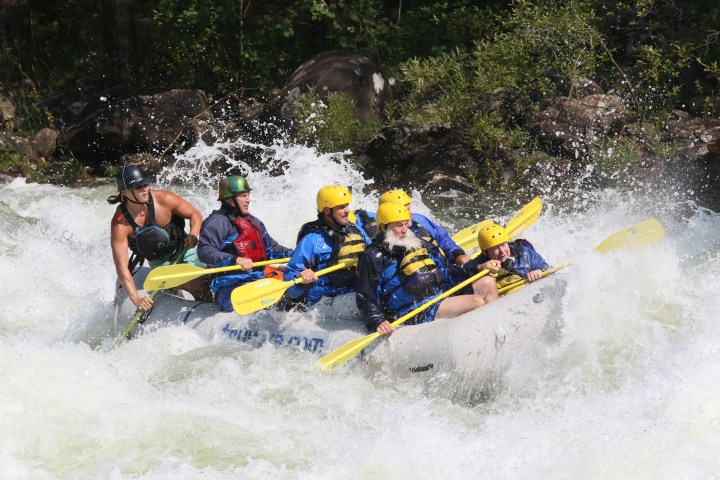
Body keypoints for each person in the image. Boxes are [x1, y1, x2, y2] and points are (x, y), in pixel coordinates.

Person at [357, 203, 500, 335]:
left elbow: (444, 272)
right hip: (411, 310)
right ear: (383, 227)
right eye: (399, 225)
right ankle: (481, 337)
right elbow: (365, 296)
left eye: (406, 224)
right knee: (476, 302)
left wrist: (477, 267)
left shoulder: (415, 243)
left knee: (487, 282)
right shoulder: (373, 255)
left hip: (437, 295)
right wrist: (377, 320)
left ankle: (497, 329)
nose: (404, 230)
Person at [108, 163, 207, 311]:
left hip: (185, 248)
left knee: (213, 271)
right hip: (161, 264)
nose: (145, 189)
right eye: (139, 187)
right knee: (195, 284)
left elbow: (195, 214)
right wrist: (136, 299)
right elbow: (121, 265)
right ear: (125, 192)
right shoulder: (120, 224)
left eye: (146, 184)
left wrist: (193, 234)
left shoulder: (164, 199)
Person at [197, 176, 294, 312]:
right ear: (230, 199)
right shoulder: (216, 222)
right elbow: (205, 252)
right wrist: (236, 259)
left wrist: (297, 254)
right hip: (231, 287)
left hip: (257, 278)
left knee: (294, 289)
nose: (248, 199)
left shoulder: (253, 221)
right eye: (243, 196)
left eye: (248, 195)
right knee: (272, 302)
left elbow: (272, 249)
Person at [282, 185, 372, 308]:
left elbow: (372, 255)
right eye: (341, 207)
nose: (348, 211)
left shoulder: (357, 230)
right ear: (327, 211)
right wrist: (300, 276)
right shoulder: (312, 240)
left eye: (347, 205)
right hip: (324, 300)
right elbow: (289, 280)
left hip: (353, 290)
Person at [378, 189, 471, 265]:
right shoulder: (387, 239)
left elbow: (442, 237)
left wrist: (457, 254)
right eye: (404, 210)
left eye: (408, 208)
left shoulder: (418, 219)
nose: (409, 214)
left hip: (448, 269)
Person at [475, 222, 551, 287]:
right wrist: (479, 267)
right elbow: (465, 271)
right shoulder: (480, 264)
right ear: (485, 252)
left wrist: (540, 271)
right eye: (495, 248)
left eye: (503, 245)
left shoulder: (523, 252)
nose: (502, 251)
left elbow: (549, 270)